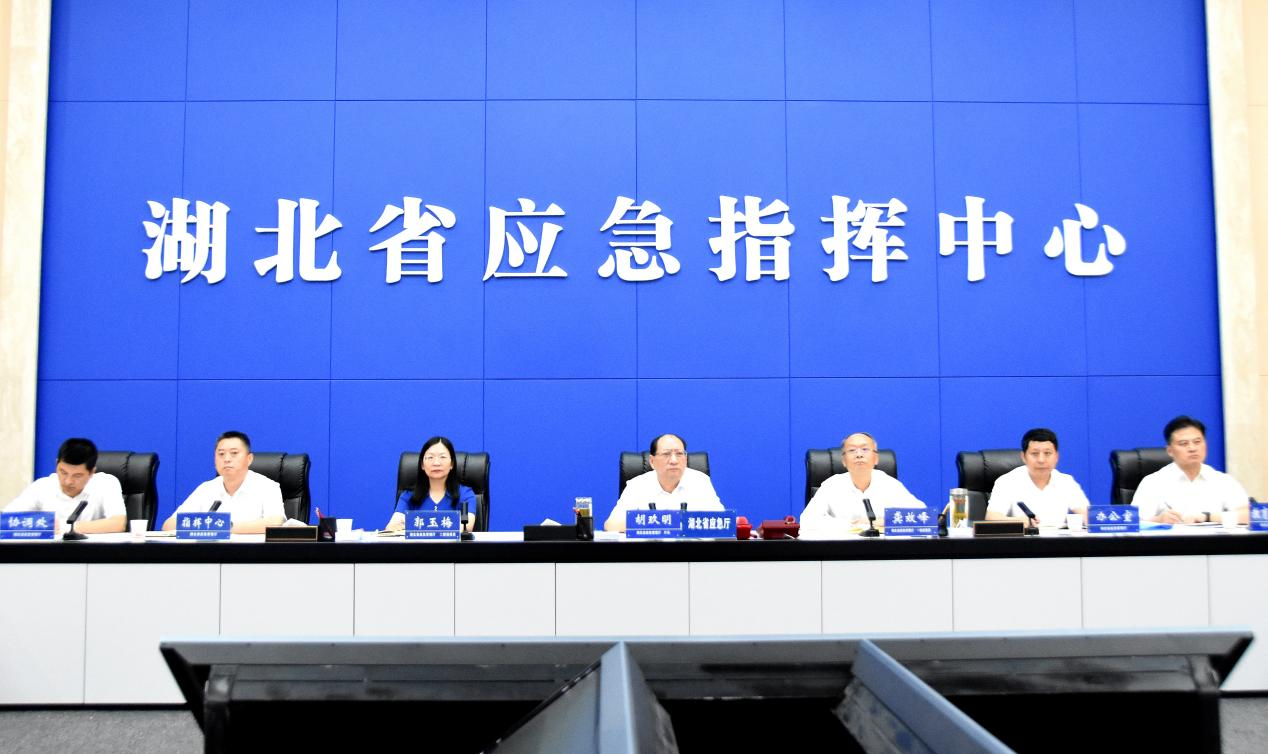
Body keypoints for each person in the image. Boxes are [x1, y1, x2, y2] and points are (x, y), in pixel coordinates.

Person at [800, 432, 924, 538]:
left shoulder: (890, 484)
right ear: (844, 461)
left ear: (876, 458)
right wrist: (853, 525)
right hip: (843, 551)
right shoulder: (832, 485)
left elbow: (923, 517)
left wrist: (886, 521)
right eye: (852, 450)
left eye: (865, 449)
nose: (859, 454)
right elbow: (807, 522)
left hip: (884, 551)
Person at [1133, 416, 1250, 525]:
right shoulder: (1153, 482)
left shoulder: (1222, 480)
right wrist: (1158, 520)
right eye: (1184, 444)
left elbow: (1250, 515)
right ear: (1170, 451)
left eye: (1197, 442)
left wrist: (1208, 517)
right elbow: (1132, 522)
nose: (1192, 448)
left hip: (1214, 540)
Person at [161, 431, 284, 534]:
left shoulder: (267, 487)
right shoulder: (206, 489)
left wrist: (224, 527)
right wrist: (205, 525)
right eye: (221, 454)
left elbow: (276, 522)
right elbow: (169, 525)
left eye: (234, 453)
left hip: (252, 553)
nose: (226, 459)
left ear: (249, 459)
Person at [604, 433, 723, 532]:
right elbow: (611, 525)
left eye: (679, 454)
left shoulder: (700, 481)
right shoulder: (637, 485)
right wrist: (659, 522)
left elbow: (722, 522)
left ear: (686, 459)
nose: (674, 460)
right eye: (666, 454)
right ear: (652, 461)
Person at [4, 437, 126, 533]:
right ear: (57, 464)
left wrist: (65, 527)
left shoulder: (106, 483)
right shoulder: (42, 486)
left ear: (91, 472)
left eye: (77, 475)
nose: (68, 481)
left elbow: (118, 523)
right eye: (63, 472)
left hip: (92, 553)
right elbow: (6, 520)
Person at [985, 428, 1090, 526]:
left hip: (1059, 539)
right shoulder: (1007, 482)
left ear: (1057, 457)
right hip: (1023, 539)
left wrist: (1087, 519)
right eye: (1035, 454)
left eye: (1047, 453)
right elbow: (991, 518)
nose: (1041, 460)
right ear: (1023, 457)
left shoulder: (1066, 482)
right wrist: (1017, 521)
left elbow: (1088, 516)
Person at [385, 436, 476, 533]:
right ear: (422, 465)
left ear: (452, 464)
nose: (436, 463)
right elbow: (393, 526)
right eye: (430, 457)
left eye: (442, 457)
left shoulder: (465, 494)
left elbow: (467, 526)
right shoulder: (408, 495)